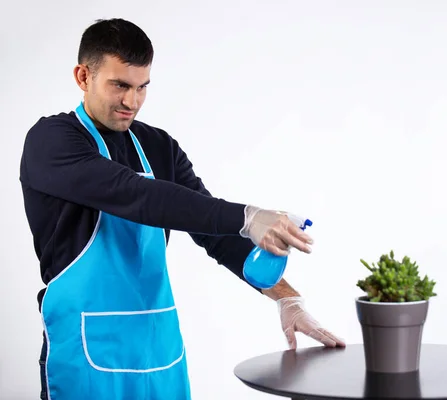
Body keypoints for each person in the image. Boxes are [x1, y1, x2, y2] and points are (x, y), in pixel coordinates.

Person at [19, 18, 345, 400]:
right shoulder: (53, 142)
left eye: (142, 87)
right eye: (119, 85)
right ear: (82, 76)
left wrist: (287, 297)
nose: (132, 102)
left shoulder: (159, 146)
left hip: (160, 351)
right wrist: (248, 216)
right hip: (85, 353)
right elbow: (136, 195)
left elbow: (213, 231)